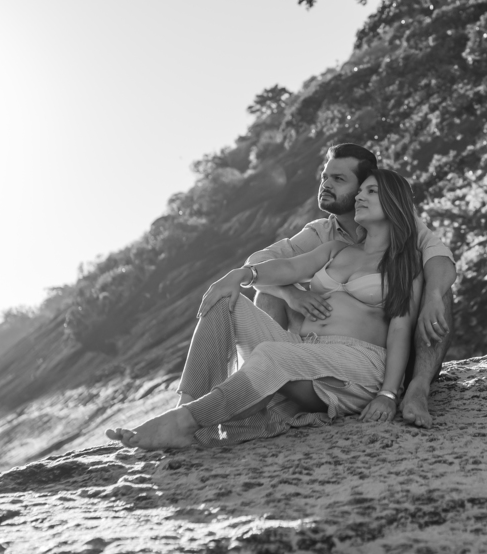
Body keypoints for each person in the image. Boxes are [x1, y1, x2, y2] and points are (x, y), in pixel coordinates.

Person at [106, 169, 422, 449]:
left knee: (272, 354)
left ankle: (187, 422)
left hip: (359, 364)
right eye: (361, 190)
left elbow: (399, 331)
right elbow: (288, 268)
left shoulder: (405, 263)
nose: (360, 197)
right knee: (224, 301)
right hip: (305, 351)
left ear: (393, 203)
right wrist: (242, 275)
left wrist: (389, 394)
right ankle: (185, 405)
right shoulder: (337, 248)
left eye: (371, 191)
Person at [247, 143, 457, 427]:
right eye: (325, 177)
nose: (326, 185)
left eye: (339, 179)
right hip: (319, 345)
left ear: (365, 185)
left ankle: (418, 388)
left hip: (376, 351)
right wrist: (291, 294)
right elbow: (260, 262)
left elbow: (441, 257)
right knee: (267, 295)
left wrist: (432, 294)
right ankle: (262, 388)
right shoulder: (321, 232)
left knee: (441, 289)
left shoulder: (399, 221)